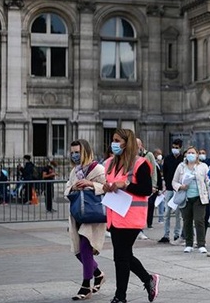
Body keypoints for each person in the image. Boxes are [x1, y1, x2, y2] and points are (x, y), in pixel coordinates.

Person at [102, 129, 159, 303]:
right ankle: (148, 279)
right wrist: (107, 187)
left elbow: (146, 189)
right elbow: (106, 183)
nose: (114, 144)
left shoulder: (139, 163)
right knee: (123, 255)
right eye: (113, 140)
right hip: (115, 215)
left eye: (118, 140)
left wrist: (125, 185)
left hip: (131, 216)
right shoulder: (109, 163)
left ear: (127, 143)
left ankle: (120, 297)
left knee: (121, 257)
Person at [64, 139, 107, 300]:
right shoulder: (74, 171)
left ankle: (85, 286)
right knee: (77, 250)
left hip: (93, 213)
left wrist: (91, 184)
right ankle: (98, 274)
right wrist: (73, 187)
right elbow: (67, 188)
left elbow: (108, 188)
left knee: (85, 246)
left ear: (86, 152)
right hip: (78, 214)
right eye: (73, 152)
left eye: (77, 152)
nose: (75, 155)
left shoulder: (99, 169)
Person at [172, 146, 210, 253]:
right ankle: (189, 243)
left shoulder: (203, 166)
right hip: (186, 197)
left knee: (199, 220)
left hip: (199, 197)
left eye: (193, 153)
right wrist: (180, 186)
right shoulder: (181, 167)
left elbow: (208, 181)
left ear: (197, 154)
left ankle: (201, 243)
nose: (191, 155)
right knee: (187, 220)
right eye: (189, 153)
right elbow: (174, 182)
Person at [158, 139, 183, 243]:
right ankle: (166, 234)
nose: (174, 149)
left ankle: (177, 234)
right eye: (173, 147)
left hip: (178, 189)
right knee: (166, 213)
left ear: (180, 148)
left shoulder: (183, 159)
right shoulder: (168, 158)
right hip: (169, 189)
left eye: (177, 147)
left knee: (178, 214)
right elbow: (165, 172)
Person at [136, 138, 156, 239]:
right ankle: (138, 229)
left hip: (146, 185)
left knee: (145, 208)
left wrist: (154, 185)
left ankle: (141, 229)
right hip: (135, 186)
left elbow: (154, 170)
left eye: (137, 145)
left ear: (141, 146)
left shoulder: (149, 155)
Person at [153, 148, 165, 223]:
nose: (159, 155)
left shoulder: (160, 163)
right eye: (158, 154)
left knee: (162, 201)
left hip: (160, 184)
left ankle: (161, 218)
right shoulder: (153, 162)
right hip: (155, 184)